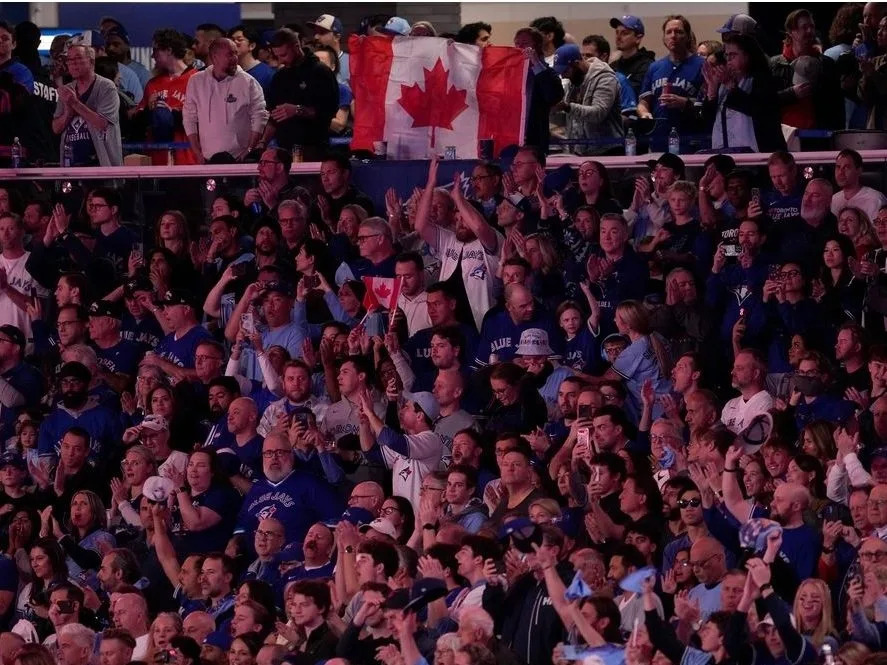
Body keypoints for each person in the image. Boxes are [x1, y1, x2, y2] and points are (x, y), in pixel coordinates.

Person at [183, 37, 268, 163]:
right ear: (214, 57)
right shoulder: (196, 81)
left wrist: (249, 150)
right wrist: (197, 152)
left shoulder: (248, 82)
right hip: (207, 160)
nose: (235, 58)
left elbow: (260, 116)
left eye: (235, 53)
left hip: (240, 159)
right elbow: (189, 117)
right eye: (229, 54)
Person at [259, 28, 338, 160]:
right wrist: (263, 143)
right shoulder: (280, 76)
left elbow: (328, 112)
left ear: (296, 47)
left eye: (284, 55)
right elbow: (273, 117)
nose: (280, 61)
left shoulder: (320, 72)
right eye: (277, 56)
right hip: (283, 151)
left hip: (313, 149)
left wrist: (297, 110)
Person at [52, 44, 122, 167]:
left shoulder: (106, 87)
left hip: (100, 166)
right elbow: (56, 128)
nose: (73, 63)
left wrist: (74, 103)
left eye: (78, 58)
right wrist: (68, 113)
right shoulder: (67, 90)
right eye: (69, 60)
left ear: (91, 61)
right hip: (70, 165)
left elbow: (102, 124)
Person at [552, 44, 624, 154]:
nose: (563, 76)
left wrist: (567, 107)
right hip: (581, 150)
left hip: (607, 150)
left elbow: (598, 113)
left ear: (577, 64)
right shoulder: (573, 82)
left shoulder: (605, 78)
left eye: (565, 71)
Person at [609, 15, 655, 99]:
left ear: (638, 38)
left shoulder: (648, 66)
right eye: (617, 32)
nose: (618, 37)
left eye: (624, 33)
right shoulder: (613, 66)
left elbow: (634, 93)